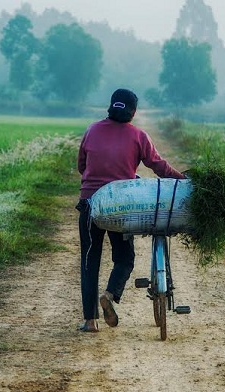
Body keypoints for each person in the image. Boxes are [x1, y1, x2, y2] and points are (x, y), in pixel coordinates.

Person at [76, 88, 185, 332]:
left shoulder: (92, 131)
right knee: (125, 258)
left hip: (90, 205)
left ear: (110, 106)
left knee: (89, 260)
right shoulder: (138, 136)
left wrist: (97, 180)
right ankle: (111, 293)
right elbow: (159, 167)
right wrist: (182, 179)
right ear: (133, 112)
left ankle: (90, 321)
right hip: (121, 209)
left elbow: (81, 166)